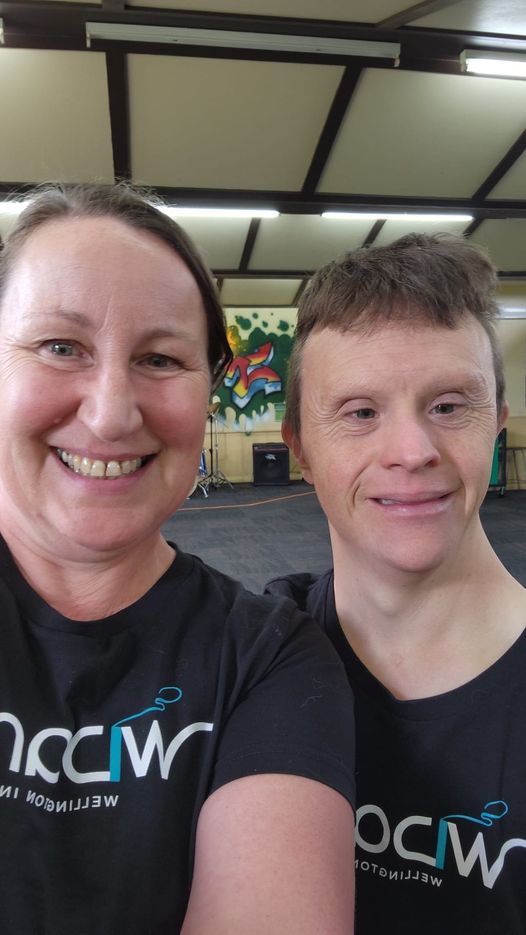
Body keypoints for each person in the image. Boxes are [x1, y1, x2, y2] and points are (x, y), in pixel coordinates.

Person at [0, 182, 356, 935]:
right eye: (60, 347)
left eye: (160, 358)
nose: (109, 411)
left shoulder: (270, 659)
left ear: (208, 393)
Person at [266, 233, 526, 934]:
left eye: (448, 405)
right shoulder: (249, 659)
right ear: (301, 449)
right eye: (360, 412)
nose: (411, 452)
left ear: (496, 426)